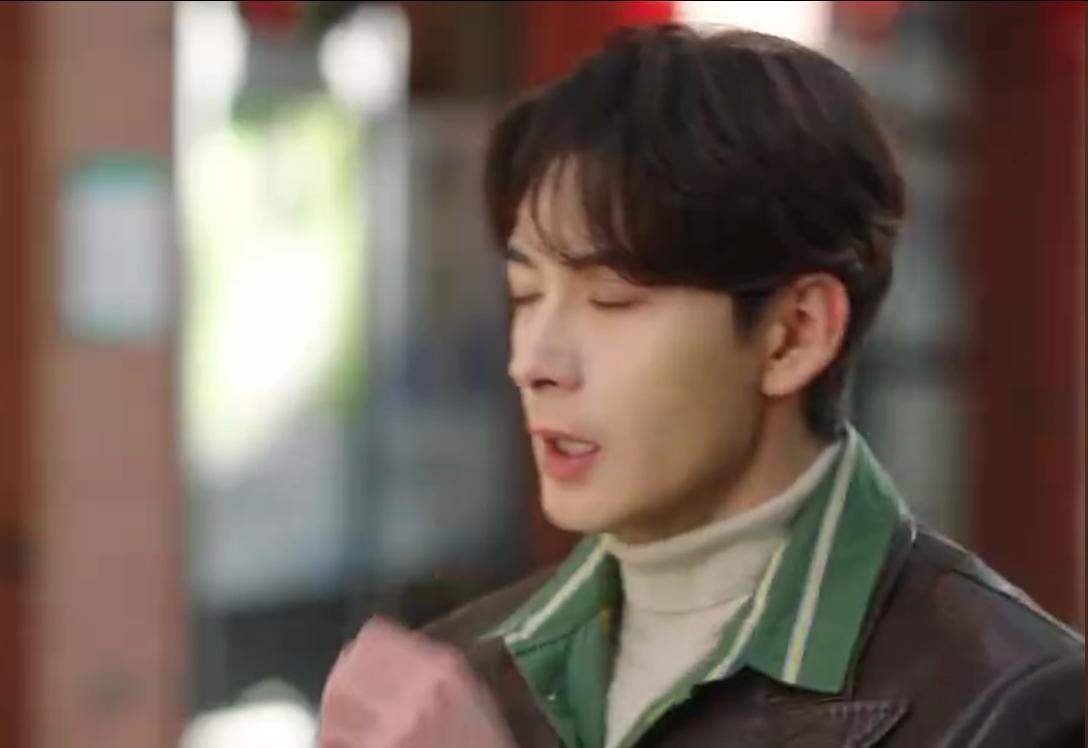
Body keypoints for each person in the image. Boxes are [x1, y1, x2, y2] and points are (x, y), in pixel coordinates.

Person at [317, 23, 1085, 748]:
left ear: (794, 334)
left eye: (611, 300)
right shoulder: (463, 673)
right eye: (525, 294)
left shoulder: (1009, 701)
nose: (534, 362)